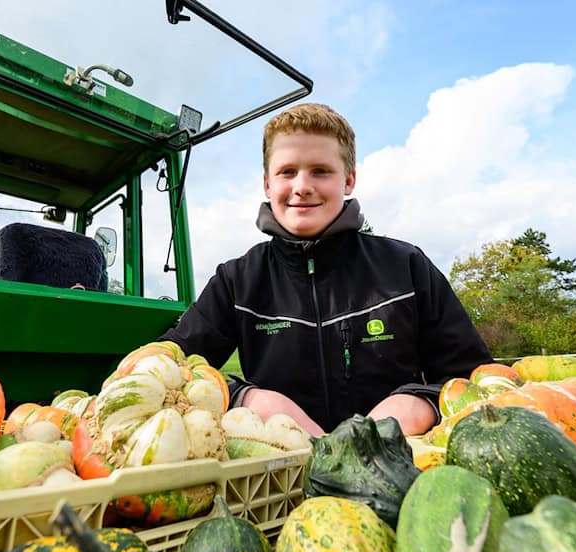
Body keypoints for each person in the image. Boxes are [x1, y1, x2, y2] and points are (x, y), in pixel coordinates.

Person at [160, 103, 492, 436]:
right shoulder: (237, 281)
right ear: (267, 184)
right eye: (287, 172)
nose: (302, 186)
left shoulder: (406, 267)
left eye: (320, 171)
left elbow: (475, 380)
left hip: (402, 470)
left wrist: (420, 401)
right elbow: (169, 372)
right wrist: (246, 397)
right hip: (282, 476)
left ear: (349, 180)